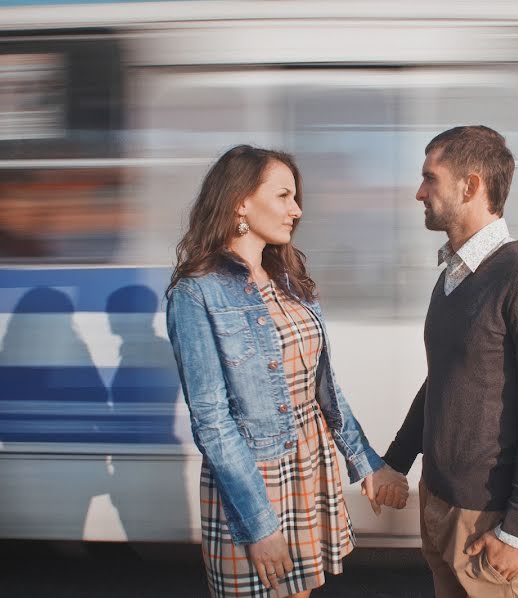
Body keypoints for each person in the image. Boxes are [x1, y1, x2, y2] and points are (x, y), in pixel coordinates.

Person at [166, 145, 408, 598]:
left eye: (296, 199)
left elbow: (324, 389)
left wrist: (366, 464)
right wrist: (259, 527)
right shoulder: (196, 294)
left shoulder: (289, 280)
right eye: (283, 196)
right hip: (253, 478)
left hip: (308, 464)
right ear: (240, 201)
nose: (296, 211)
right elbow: (213, 423)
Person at [379, 126, 518, 597]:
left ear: (471, 185)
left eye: (430, 178)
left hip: (490, 518)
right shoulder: (453, 275)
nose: (419, 192)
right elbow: (443, 379)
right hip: (440, 502)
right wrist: (397, 463)